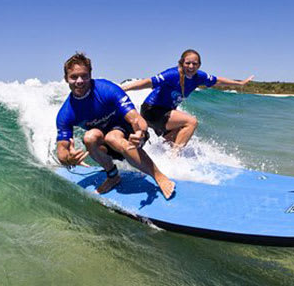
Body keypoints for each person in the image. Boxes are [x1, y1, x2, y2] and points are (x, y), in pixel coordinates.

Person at [56, 52, 175, 199]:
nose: (79, 81)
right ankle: (113, 176)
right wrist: (68, 158)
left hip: (130, 135)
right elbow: (61, 150)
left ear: (90, 75)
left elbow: (136, 119)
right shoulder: (66, 112)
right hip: (106, 146)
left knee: (113, 137)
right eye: (74, 77)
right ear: (66, 78)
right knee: (89, 137)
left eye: (84, 76)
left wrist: (140, 132)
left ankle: (158, 176)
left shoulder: (107, 89)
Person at [122, 49, 253, 150]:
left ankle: (160, 157)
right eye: (188, 63)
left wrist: (239, 83)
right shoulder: (172, 74)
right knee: (191, 122)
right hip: (152, 110)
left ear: (199, 65)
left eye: (195, 64)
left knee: (176, 136)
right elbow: (148, 82)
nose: (191, 66)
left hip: (166, 112)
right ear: (181, 63)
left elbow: (217, 80)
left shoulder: (199, 76)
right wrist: (125, 88)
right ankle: (174, 158)